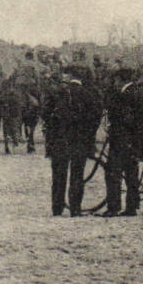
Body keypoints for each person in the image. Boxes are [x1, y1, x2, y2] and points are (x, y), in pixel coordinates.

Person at [46, 67, 102, 216]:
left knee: (59, 175)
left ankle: (57, 208)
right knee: (77, 175)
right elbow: (96, 117)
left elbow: (45, 114)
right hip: (80, 141)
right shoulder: (88, 94)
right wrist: (89, 135)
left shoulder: (58, 93)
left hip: (60, 140)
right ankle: (75, 209)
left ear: (70, 76)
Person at [102, 69, 143, 216]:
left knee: (113, 172)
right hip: (134, 140)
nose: (115, 83)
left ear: (120, 79)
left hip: (122, 138)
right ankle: (131, 207)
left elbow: (126, 118)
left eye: (116, 80)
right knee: (132, 173)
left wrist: (114, 126)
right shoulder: (138, 91)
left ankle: (113, 207)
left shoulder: (126, 94)